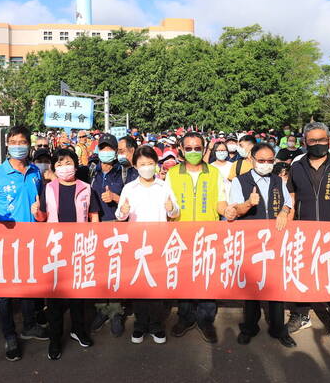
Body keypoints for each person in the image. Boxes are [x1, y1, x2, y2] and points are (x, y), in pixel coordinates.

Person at [286, 122, 330, 350]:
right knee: (303, 276)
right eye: (312, 140)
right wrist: (287, 220)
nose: (317, 144)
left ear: (328, 140)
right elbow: (292, 197)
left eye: (321, 140)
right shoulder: (297, 167)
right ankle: (300, 314)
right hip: (304, 233)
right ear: (305, 142)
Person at [0, 125, 47, 361]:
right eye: (14, 142)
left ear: (29, 145)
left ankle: (29, 325)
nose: (18, 146)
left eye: (23, 142)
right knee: (5, 291)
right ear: (7, 144)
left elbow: (40, 206)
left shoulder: (35, 172)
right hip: (4, 241)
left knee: (29, 284)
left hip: (31, 239)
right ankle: (10, 334)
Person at [223, 143, 296, 349]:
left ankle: (278, 329)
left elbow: (287, 201)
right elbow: (235, 210)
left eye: (270, 161)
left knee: (275, 285)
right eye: (261, 161)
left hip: (274, 239)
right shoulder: (240, 181)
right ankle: (249, 327)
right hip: (252, 241)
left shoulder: (277, 179)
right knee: (252, 285)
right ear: (251, 159)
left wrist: (283, 212)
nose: (266, 164)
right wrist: (249, 203)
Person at [33, 148, 99, 360]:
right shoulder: (49, 188)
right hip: (55, 250)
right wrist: (37, 211)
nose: (64, 167)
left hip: (79, 248)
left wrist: (94, 242)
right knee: (54, 298)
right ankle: (55, 339)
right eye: (59, 164)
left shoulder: (86, 188)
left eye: (68, 162)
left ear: (76, 164)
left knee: (78, 295)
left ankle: (78, 330)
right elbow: (43, 217)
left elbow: (93, 216)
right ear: (54, 167)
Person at [166, 132, 228, 343]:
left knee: (206, 276)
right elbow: (168, 206)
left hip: (208, 234)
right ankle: (185, 317)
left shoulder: (214, 173)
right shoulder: (172, 173)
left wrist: (227, 210)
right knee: (184, 277)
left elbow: (220, 201)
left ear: (204, 149)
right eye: (189, 148)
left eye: (197, 148)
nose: (193, 152)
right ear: (181, 150)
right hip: (180, 235)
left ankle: (205, 319)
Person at [116, 145, 178, 345]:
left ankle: (156, 325)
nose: (146, 167)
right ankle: (140, 325)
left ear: (156, 164)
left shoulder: (164, 186)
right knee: (140, 285)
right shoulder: (129, 188)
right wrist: (123, 210)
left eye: (150, 163)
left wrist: (172, 208)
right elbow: (120, 216)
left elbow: (175, 212)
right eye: (142, 164)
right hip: (136, 244)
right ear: (135, 165)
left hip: (159, 242)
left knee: (156, 287)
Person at [90, 134, 137, 336]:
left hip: (119, 226)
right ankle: (102, 309)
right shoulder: (91, 171)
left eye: (111, 149)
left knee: (116, 270)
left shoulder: (127, 173)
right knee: (100, 270)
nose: (107, 152)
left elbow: (135, 202)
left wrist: (115, 198)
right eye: (104, 148)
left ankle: (116, 311)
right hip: (96, 226)